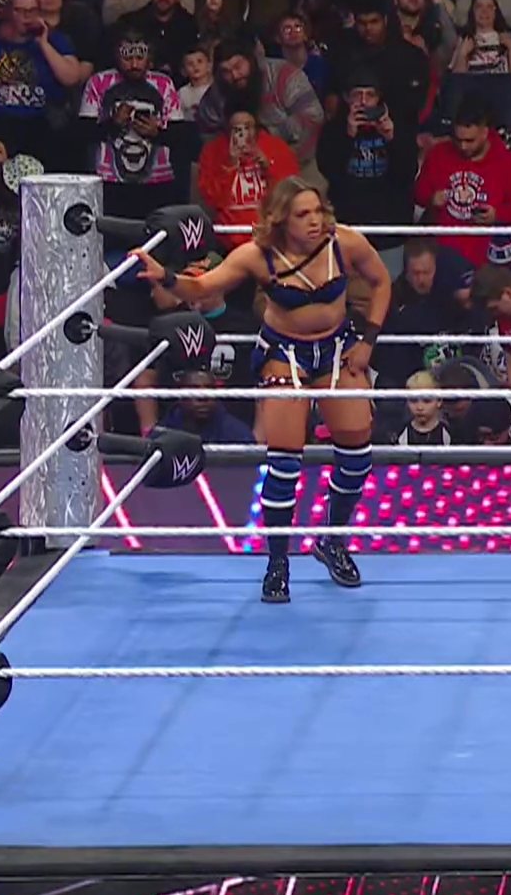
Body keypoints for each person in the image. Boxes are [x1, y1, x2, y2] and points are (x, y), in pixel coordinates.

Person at [129, 179, 391, 605]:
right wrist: (167, 277)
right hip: (284, 354)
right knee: (284, 464)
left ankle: (333, 540)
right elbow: (204, 287)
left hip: (337, 349)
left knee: (357, 457)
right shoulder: (257, 255)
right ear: (281, 219)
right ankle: (278, 563)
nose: (314, 221)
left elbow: (380, 282)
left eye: (318, 211)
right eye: (303, 214)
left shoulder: (344, 242)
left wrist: (368, 341)